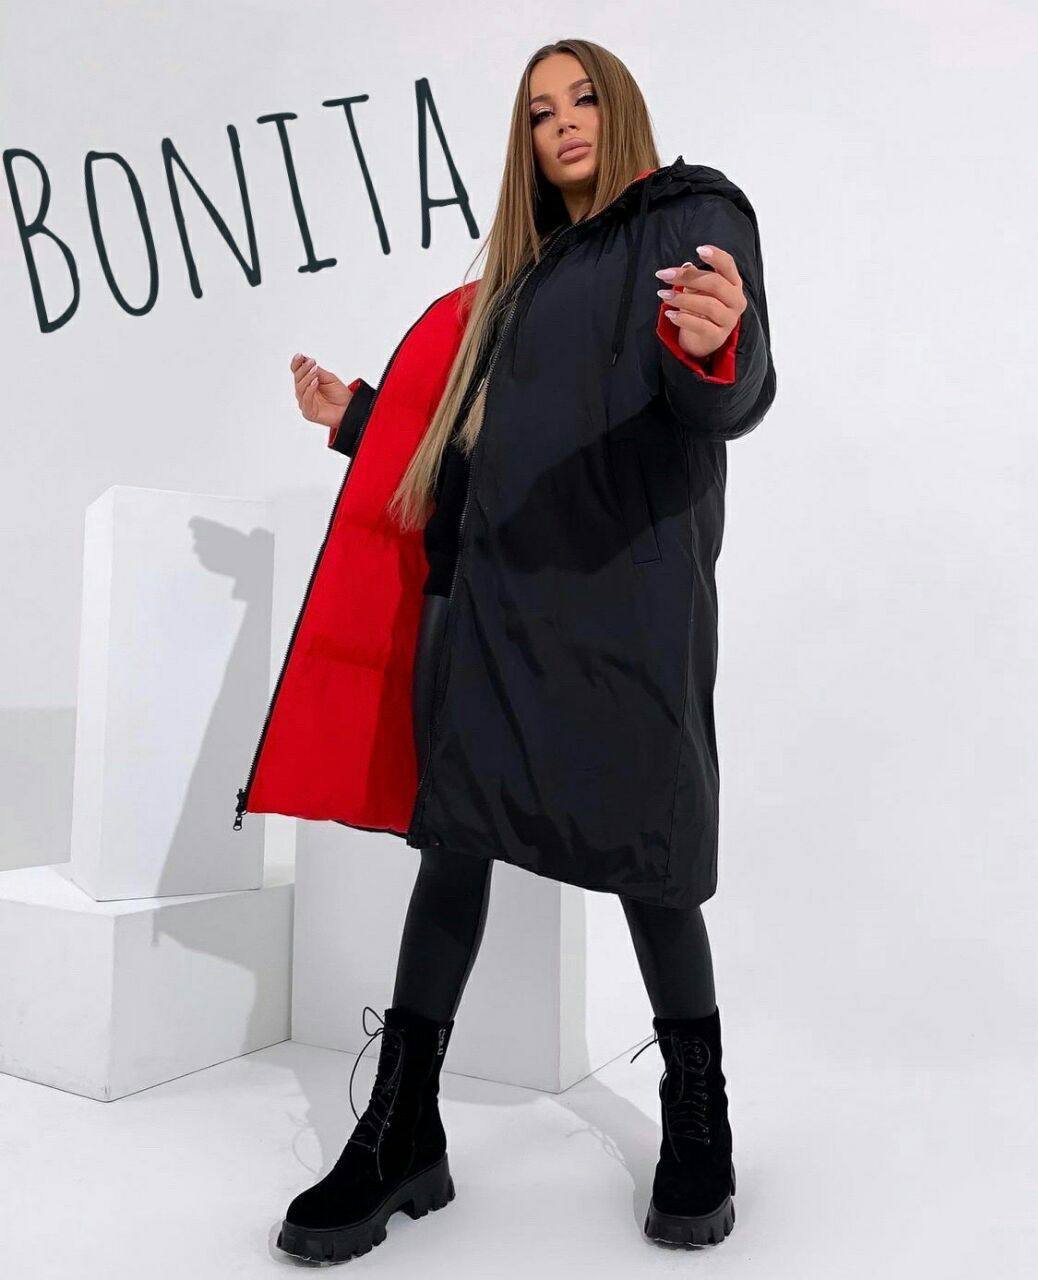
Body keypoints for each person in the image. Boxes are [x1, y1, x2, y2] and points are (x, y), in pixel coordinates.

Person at [237, 37, 776, 1263]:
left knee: (652, 861)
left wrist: (719, 346)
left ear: (619, 106)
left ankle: (698, 1113)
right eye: (540, 112)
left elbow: (727, 393)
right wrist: (361, 420)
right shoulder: (515, 290)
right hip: (492, 609)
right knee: (455, 848)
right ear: (524, 144)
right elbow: (469, 460)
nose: (564, 121)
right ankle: (403, 1127)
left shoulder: (692, 214)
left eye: (582, 97)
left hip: (627, 600)